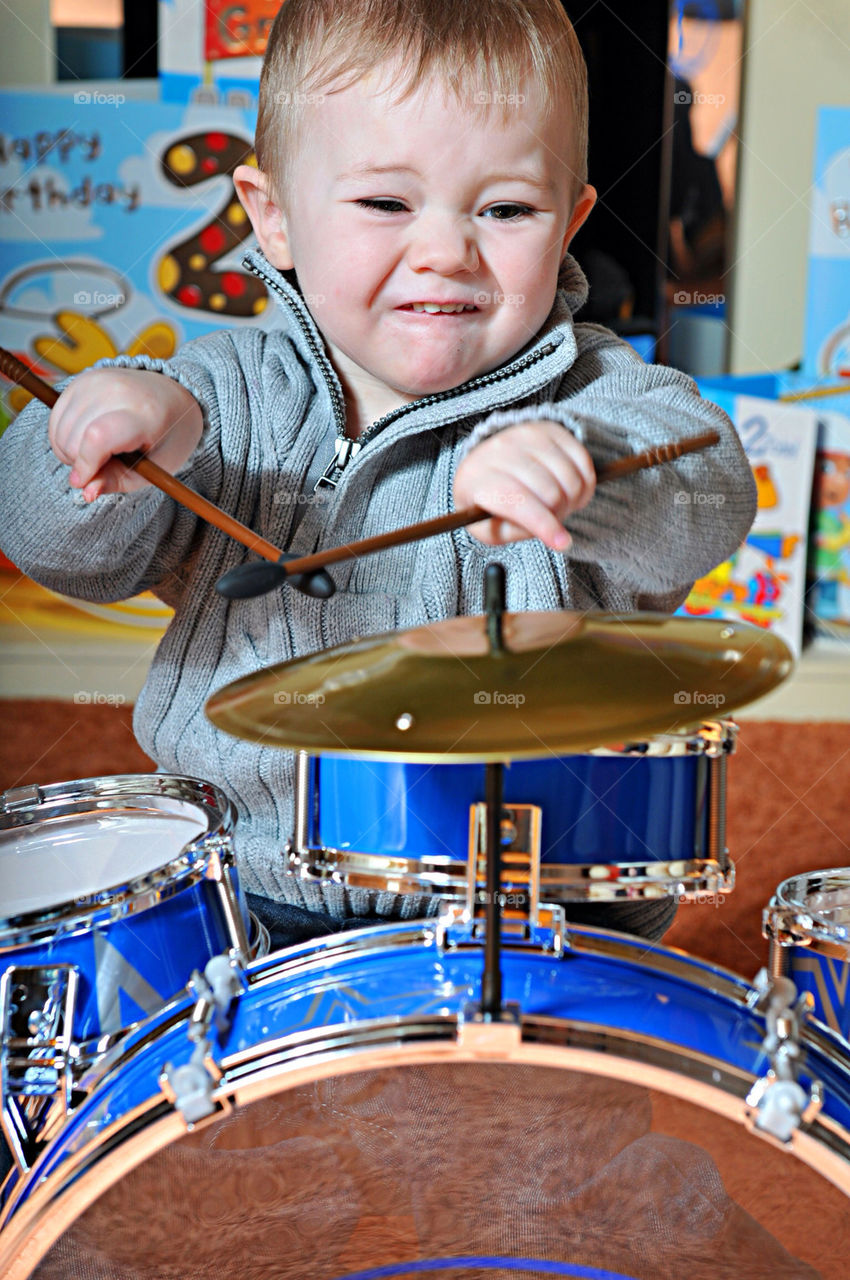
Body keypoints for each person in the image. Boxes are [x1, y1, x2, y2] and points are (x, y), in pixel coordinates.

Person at [0, 0, 756, 948]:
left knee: (555, 1097)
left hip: (539, 911)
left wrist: (585, 464)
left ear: (570, 222)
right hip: (250, 891)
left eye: (508, 209)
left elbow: (711, 480)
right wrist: (115, 431)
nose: (445, 251)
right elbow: (40, 533)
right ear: (272, 219)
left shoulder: (599, 388)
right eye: (386, 203)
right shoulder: (221, 397)